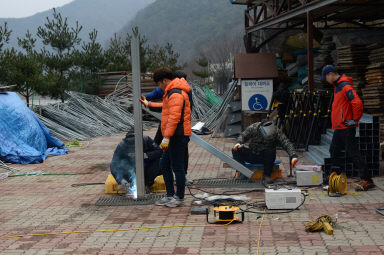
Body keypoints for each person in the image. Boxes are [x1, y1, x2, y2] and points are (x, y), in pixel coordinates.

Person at [320, 65, 374, 191]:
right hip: (340, 127)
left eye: (326, 77)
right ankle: (336, 177)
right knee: (334, 150)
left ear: (331, 74)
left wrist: (354, 120)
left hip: (346, 127)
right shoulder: (337, 86)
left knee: (353, 153)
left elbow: (357, 103)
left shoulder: (345, 86)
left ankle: (367, 180)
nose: (325, 80)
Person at [145, 67, 191, 207]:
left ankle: (179, 197)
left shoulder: (176, 93)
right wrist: (149, 104)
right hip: (173, 135)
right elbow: (165, 108)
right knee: (164, 164)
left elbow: (174, 118)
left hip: (177, 136)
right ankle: (170, 195)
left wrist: (166, 137)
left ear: (165, 80)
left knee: (177, 167)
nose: (159, 86)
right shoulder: (170, 92)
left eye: (159, 83)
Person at [232, 119, 298, 184]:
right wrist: (239, 142)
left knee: (271, 151)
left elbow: (286, 142)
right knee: (236, 150)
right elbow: (243, 135)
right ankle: (242, 172)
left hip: (266, 158)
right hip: (253, 153)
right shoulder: (254, 127)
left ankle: (266, 175)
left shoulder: (276, 130)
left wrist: (293, 155)